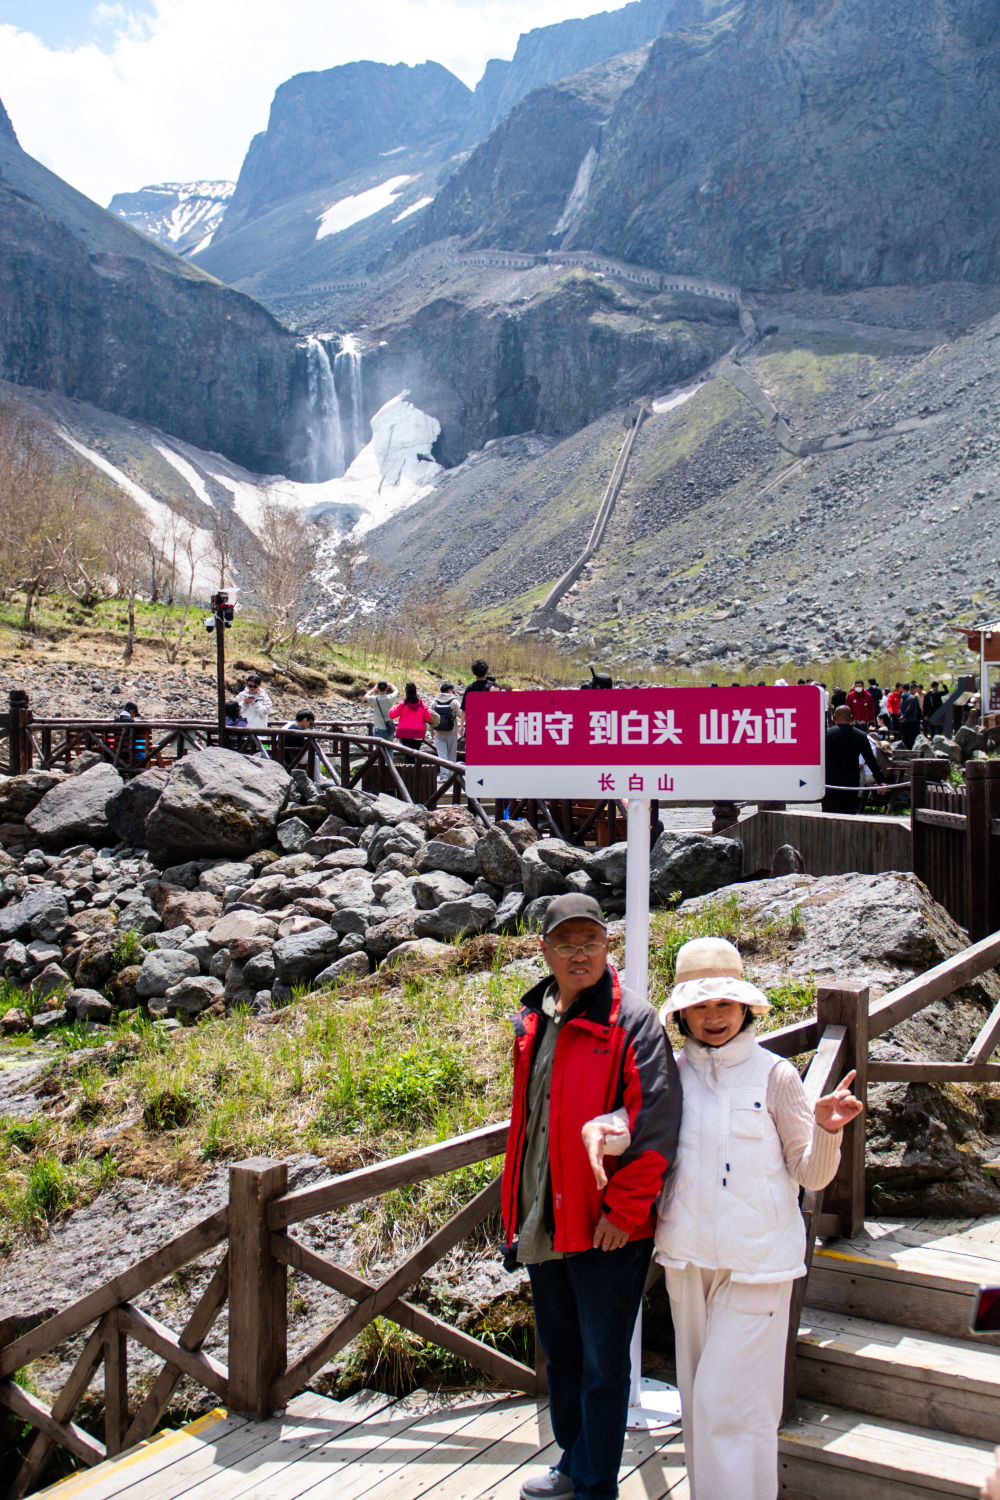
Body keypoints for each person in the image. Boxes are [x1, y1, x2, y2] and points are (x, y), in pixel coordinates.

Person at [588, 937, 862, 1500]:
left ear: (745, 1008)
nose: (714, 1017)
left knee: (724, 1405)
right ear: (682, 1012)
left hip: (759, 1267)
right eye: (701, 1006)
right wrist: (601, 1128)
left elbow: (809, 1174)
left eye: (725, 1004)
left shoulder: (776, 1075)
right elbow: (638, 1126)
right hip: (687, 1262)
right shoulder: (669, 1074)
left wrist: (829, 1129)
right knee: (702, 1409)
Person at [504, 893, 680, 1500]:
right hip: (544, 1218)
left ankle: (595, 1483)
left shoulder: (633, 1020)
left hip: (608, 1227)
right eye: (566, 942)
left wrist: (623, 1213)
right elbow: (533, 1122)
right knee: (564, 1354)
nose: (580, 954)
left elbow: (655, 1124)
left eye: (592, 941)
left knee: (606, 1366)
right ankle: (573, 1462)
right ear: (544, 950)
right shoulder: (535, 1018)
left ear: (609, 947)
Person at [823, 705, 887, 813]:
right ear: (852, 718)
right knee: (850, 816)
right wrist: (880, 780)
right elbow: (871, 760)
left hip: (830, 783)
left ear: (834, 717)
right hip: (852, 783)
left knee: (829, 817)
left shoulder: (826, 735)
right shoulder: (861, 736)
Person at [389, 682, 439, 751]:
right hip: (418, 733)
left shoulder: (403, 704)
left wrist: (393, 707)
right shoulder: (422, 705)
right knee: (416, 754)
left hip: (404, 733)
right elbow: (427, 718)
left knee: (407, 754)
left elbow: (391, 715)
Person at [430, 681, 461, 782]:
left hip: (438, 732)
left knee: (442, 754)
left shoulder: (434, 702)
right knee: (452, 754)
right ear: (449, 691)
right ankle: (452, 776)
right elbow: (461, 714)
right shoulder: (454, 702)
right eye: (452, 690)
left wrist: (431, 730)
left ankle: (444, 776)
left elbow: (430, 717)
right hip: (452, 732)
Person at [460, 658, 497, 733]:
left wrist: (461, 725)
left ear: (473, 673)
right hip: (490, 725)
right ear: (486, 672)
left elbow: (464, 709)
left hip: (473, 725)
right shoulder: (494, 687)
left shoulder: (470, 688)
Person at [899, 682, 923, 749]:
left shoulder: (902, 697)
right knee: (912, 738)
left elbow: (900, 709)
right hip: (912, 720)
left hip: (903, 721)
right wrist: (905, 716)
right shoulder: (913, 698)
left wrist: (902, 716)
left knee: (905, 737)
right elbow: (910, 709)